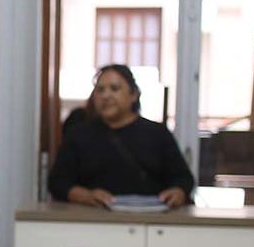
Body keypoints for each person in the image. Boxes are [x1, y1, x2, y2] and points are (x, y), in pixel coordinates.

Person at [48, 64, 195, 208]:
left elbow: (184, 179)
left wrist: (178, 192)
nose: (105, 96)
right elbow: (57, 183)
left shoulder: (158, 133)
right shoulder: (78, 134)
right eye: (100, 90)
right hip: (93, 217)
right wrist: (86, 196)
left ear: (133, 95)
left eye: (114, 88)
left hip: (150, 218)